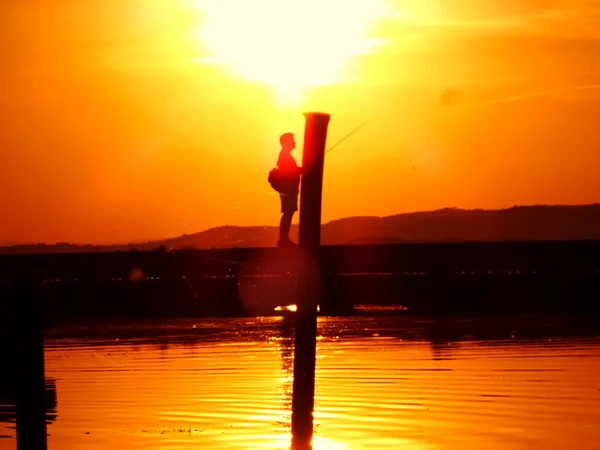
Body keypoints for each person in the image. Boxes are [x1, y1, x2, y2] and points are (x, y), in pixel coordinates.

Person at [276, 132, 302, 247]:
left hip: (289, 189)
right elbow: (289, 171)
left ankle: (284, 238)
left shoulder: (285, 155)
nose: (294, 142)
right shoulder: (285, 155)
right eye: (292, 140)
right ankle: (283, 239)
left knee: (288, 213)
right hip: (288, 189)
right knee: (288, 213)